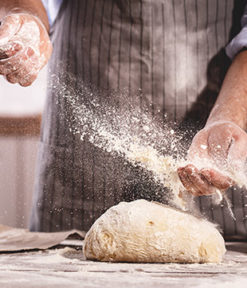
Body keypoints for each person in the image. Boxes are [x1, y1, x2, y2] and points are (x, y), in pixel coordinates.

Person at [1, 0, 247, 239]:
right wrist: (24, 15)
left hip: (213, 130)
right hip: (84, 147)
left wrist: (230, 116)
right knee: (70, 267)